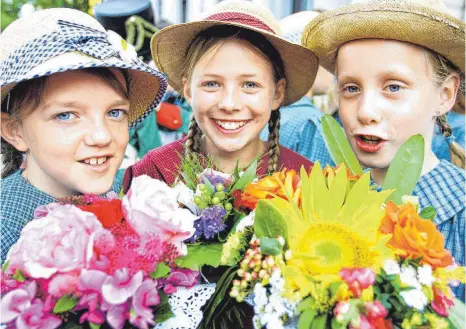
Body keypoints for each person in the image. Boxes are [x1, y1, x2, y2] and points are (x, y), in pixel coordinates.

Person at [303, 0, 465, 300]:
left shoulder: (461, 218)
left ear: (445, 95)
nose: (365, 111)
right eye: (351, 88)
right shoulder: (325, 200)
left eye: (393, 87)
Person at [0, 8, 168, 260]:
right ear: (14, 131)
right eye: (66, 115)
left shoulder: (137, 196)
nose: (101, 137)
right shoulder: (6, 233)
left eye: (115, 113)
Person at [123, 0, 318, 191]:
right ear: (189, 90)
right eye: (212, 84)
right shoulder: (152, 174)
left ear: (277, 93)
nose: (229, 104)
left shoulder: (305, 183)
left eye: (250, 85)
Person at [260, 10, 334, 166]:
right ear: (312, 62)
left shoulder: (259, 116)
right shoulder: (313, 124)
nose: (334, 69)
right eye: (329, 59)